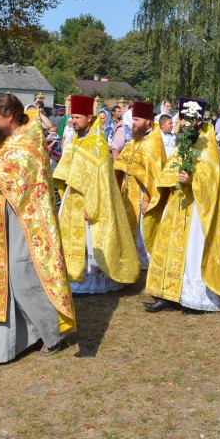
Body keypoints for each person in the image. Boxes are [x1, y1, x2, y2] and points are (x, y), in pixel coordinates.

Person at [0, 94, 75, 363]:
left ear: (11, 116)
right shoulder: (1, 140)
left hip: (22, 222)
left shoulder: (28, 143)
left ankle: (52, 333)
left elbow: (24, 185)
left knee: (22, 276)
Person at [144, 99, 220, 313]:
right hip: (176, 203)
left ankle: (195, 299)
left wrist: (192, 179)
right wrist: (170, 181)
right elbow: (170, 168)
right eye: (182, 119)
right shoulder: (181, 143)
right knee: (168, 247)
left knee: (193, 251)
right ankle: (167, 296)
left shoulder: (207, 144)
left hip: (197, 208)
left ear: (199, 121)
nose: (184, 124)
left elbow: (213, 179)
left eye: (189, 120)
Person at [53, 96, 140, 294]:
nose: (73, 121)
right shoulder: (78, 139)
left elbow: (100, 181)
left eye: (77, 117)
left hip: (89, 202)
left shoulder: (98, 144)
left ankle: (90, 282)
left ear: (89, 118)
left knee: (89, 241)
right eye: (73, 117)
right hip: (71, 198)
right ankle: (71, 277)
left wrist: (90, 206)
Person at [113, 101, 167, 269]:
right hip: (128, 192)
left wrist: (147, 199)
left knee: (142, 230)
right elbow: (121, 163)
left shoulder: (153, 143)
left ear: (147, 121)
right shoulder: (135, 140)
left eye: (136, 120)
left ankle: (145, 262)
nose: (133, 123)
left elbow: (155, 176)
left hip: (143, 195)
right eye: (133, 120)